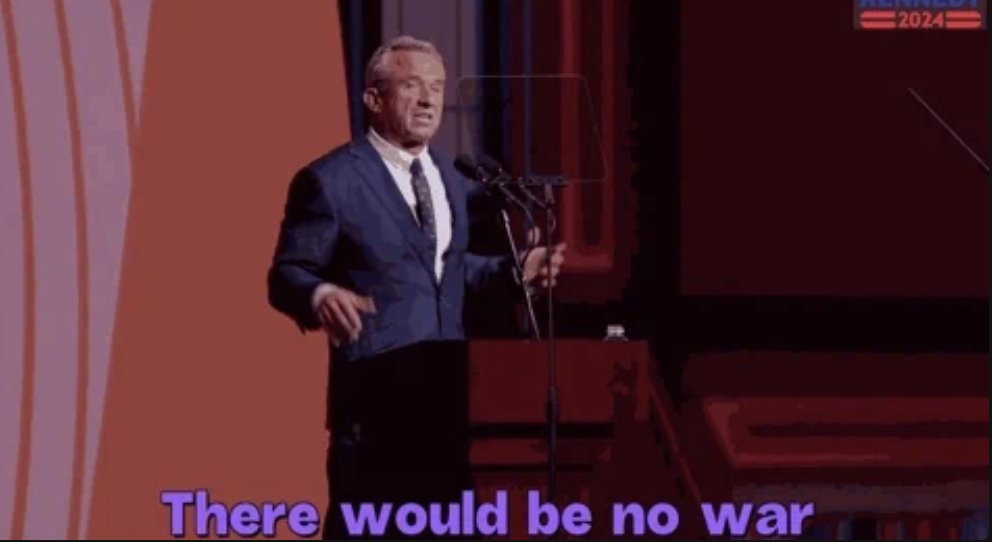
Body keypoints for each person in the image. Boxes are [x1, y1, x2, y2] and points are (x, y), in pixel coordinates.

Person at [266, 36, 566, 539]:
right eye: (412, 86)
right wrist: (321, 296)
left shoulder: (452, 176)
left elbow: (446, 273)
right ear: (374, 98)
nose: (429, 101)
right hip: (375, 415)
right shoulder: (330, 180)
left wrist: (515, 273)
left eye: (437, 87)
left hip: (449, 410)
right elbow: (286, 274)